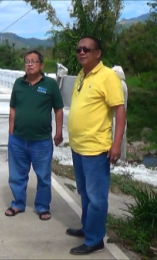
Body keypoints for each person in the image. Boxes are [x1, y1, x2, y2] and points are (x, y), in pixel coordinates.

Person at [66, 36, 126, 255]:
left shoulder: (108, 76)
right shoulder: (82, 75)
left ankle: (95, 239)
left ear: (97, 53)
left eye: (86, 49)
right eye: (79, 49)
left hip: (96, 148)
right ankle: (87, 227)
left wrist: (116, 143)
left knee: (97, 197)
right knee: (84, 192)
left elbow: (119, 110)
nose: (81, 52)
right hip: (78, 147)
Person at [6, 50, 64, 221]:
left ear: (42, 65)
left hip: (41, 141)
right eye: (27, 61)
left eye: (34, 61)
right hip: (18, 139)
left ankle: (42, 206)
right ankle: (17, 203)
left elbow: (58, 109)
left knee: (43, 176)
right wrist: (11, 132)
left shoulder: (50, 85)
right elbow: (13, 109)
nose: (30, 64)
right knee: (17, 175)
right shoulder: (18, 84)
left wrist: (58, 132)